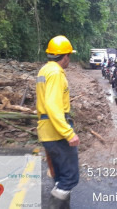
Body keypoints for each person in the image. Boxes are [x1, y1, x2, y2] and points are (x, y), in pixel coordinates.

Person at [36, 35, 80, 208]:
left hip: (47, 130)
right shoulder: (55, 73)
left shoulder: (44, 70)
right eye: (69, 55)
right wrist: (68, 133)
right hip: (56, 132)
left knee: (60, 176)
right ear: (65, 56)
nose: (69, 59)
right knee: (69, 177)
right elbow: (53, 106)